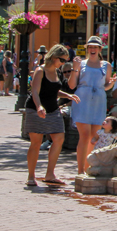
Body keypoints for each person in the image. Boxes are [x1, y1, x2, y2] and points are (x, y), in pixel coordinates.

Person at [25, 44, 80, 186]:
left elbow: (53, 90)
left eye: (65, 61)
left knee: (59, 138)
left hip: (52, 109)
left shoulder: (58, 72)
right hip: (35, 108)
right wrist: (39, 107)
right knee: (36, 143)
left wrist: (68, 95)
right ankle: (31, 176)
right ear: (54, 57)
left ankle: (50, 174)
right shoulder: (40, 70)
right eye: (62, 60)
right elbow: (35, 91)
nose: (63, 64)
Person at [70, 35, 116, 175]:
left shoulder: (106, 65)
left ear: (100, 49)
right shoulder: (81, 64)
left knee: (94, 137)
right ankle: (79, 171)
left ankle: (88, 167)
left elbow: (106, 86)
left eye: (95, 47)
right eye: (90, 47)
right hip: (82, 99)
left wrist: (112, 83)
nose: (92, 49)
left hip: (98, 101)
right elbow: (72, 85)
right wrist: (75, 69)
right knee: (84, 135)